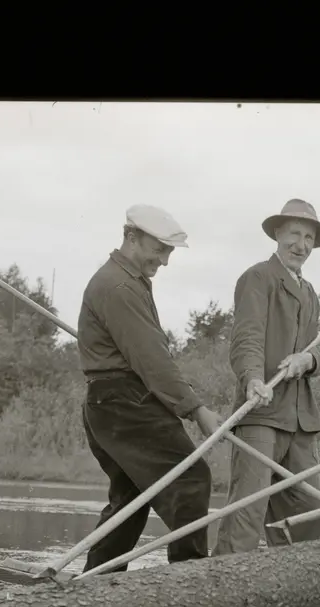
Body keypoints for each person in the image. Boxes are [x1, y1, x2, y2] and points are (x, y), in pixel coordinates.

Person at [76, 204, 223, 573]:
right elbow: (153, 361)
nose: (165, 261)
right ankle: (188, 580)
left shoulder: (123, 280)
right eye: (159, 250)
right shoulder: (120, 287)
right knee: (190, 479)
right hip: (125, 403)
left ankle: (96, 583)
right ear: (131, 237)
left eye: (169, 252)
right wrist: (196, 410)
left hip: (107, 403)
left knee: (131, 498)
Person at [214, 199, 320, 556]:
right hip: (262, 414)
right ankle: (226, 583)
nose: (302, 245)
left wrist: (309, 359)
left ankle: (291, 585)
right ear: (278, 234)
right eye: (295, 234)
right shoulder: (258, 278)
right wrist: (252, 378)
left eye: (309, 238)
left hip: (300, 422)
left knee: (307, 511)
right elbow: (247, 337)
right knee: (247, 514)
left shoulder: (310, 293)